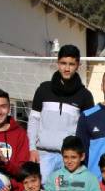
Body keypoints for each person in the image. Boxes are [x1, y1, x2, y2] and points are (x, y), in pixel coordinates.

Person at [28, 44, 94, 178]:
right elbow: (34, 121)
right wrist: (32, 149)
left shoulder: (85, 95)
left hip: (69, 159)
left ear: (78, 65)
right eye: (63, 63)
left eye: (71, 64)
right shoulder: (43, 90)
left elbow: (88, 132)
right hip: (43, 156)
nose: (67, 68)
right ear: (57, 63)